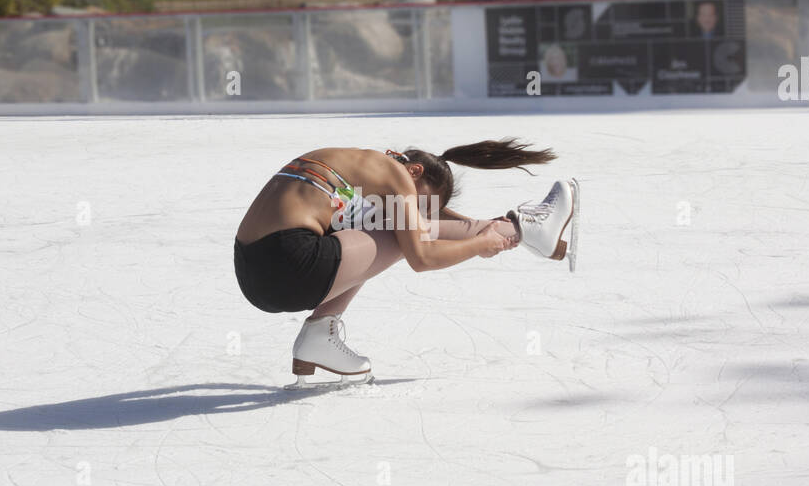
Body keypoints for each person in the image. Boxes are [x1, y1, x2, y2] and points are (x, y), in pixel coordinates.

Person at [234, 141, 577, 386]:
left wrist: (480, 227)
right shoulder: (394, 176)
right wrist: (479, 243)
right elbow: (421, 257)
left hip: (253, 273)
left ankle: (317, 337)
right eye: (417, 201)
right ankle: (530, 228)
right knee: (399, 231)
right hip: (289, 266)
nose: (413, 210)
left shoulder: (356, 163)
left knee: (385, 223)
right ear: (414, 171)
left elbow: (420, 218)